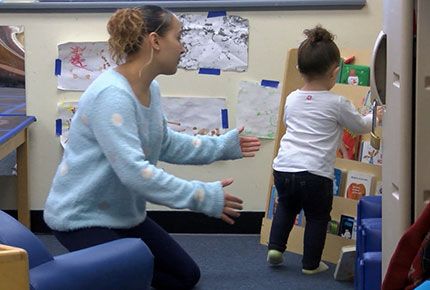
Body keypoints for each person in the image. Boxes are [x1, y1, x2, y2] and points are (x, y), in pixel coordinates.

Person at [43, 5, 260, 290]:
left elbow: (165, 142)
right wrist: (200, 196)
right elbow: (136, 173)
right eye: (178, 38)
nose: (183, 48)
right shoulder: (112, 95)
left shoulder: (149, 89)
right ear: (155, 41)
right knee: (128, 281)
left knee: (184, 277)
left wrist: (220, 146)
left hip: (124, 216)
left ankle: (102, 273)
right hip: (81, 218)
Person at [266, 25, 383, 274]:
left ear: (299, 69)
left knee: (285, 207)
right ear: (335, 73)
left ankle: (275, 249)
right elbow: (360, 125)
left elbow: (289, 124)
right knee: (318, 218)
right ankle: (310, 265)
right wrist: (377, 115)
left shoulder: (291, 98)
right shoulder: (337, 102)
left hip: (284, 167)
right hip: (316, 173)